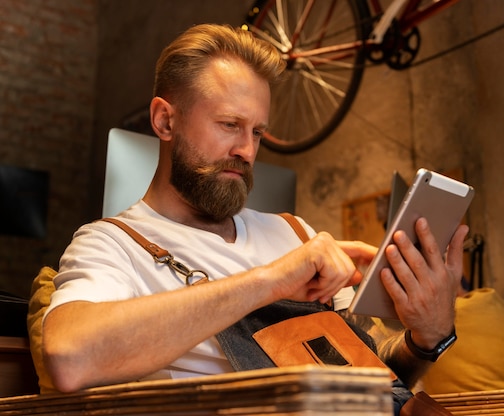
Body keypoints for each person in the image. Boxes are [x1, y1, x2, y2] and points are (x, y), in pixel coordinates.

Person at [39, 24, 468, 414]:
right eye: (230, 124)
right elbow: (69, 359)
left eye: (258, 132)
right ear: (165, 120)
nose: (247, 149)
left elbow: (370, 384)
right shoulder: (113, 242)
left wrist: (426, 338)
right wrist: (272, 281)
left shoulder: (296, 232)